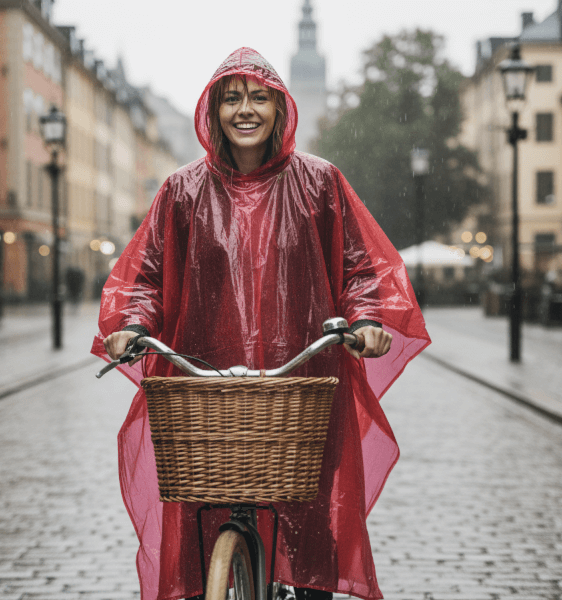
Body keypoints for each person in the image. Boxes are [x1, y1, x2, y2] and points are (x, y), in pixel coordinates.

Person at [92, 48, 430, 600]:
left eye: (258, 97)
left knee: (312, 517)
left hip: (304, 373)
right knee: (205, 514)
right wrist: (130, 322)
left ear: (279, 108)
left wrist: (367, 318)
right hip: (207, 374)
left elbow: (360, 266)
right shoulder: (182, 191)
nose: (244, 110)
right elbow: (145, 273)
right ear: (214, 110)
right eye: (231, 98)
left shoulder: (320, 183)